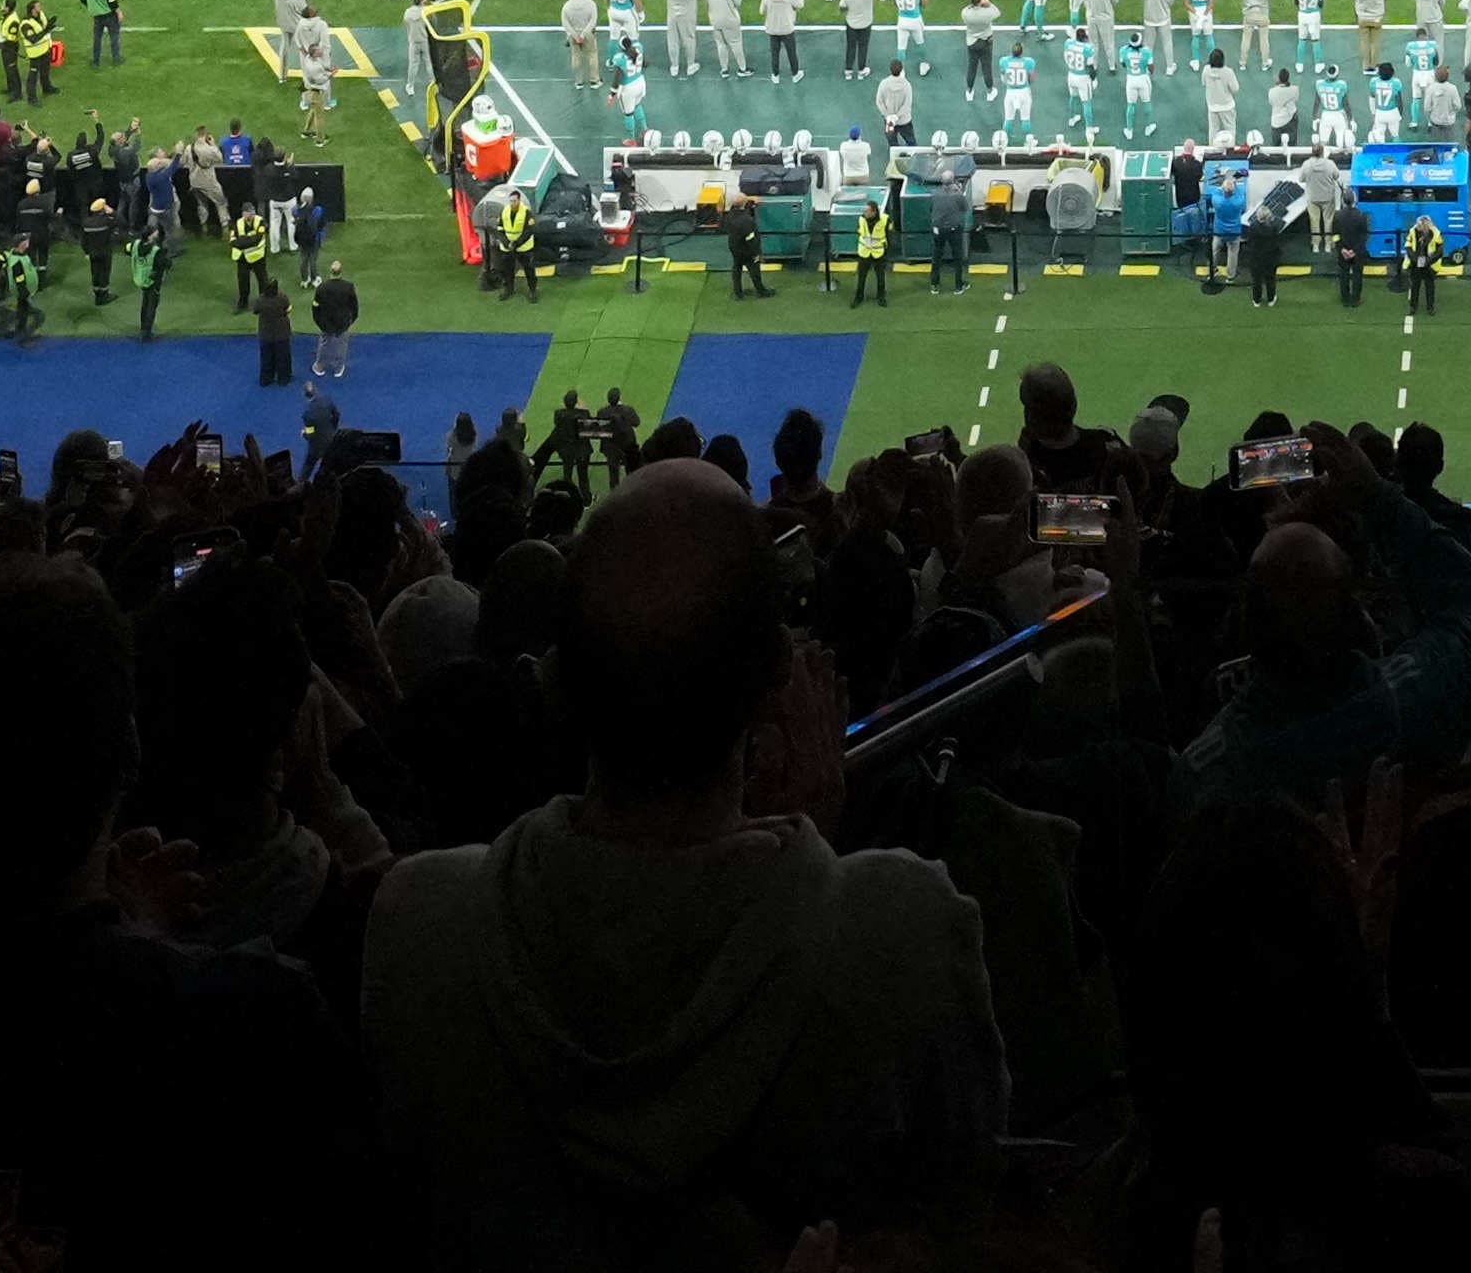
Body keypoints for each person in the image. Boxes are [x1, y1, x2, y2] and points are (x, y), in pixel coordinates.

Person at [359, 461, 1004, 1246]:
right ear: (776, 676)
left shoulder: (414, 927)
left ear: (557, 681)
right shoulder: (907, 933)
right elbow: (962, 1206)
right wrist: (813, 846)